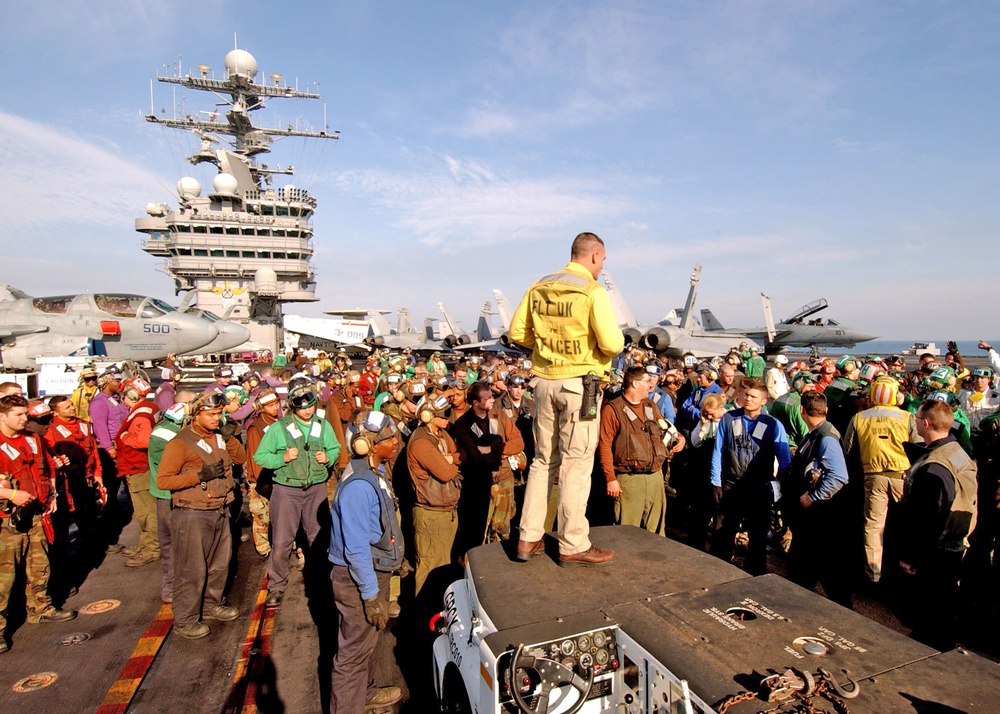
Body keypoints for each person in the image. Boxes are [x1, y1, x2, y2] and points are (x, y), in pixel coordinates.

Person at [509, 233, 624, 566]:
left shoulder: (539, 286)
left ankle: (529, 538)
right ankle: (573, 542)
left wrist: (548, 346)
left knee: (543, 461)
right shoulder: (591, 290)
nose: (601, 267)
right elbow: (613, 343)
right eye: (601, 261)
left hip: (544, 383)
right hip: (580, 386)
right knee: (576, 463)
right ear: (595, 255)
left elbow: (518, 334)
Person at [328, 411, 404, 713]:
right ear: (368, 445)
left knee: (368, 644)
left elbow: (380, 526)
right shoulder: (359, 486)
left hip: (375, 569)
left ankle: (368, 694)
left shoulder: (376, 472)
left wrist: (395, 558)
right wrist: (371, 596)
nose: (395, 442)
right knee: (353, 655)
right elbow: (357, 548)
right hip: (359, 578)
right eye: (388, 438)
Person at [155, 391, 247, 639]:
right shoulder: (180, 443)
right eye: (211, 414)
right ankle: (185, 620)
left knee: (219, 564)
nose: (217, 418)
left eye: (219, 414)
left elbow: (240, 458)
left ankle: (210, 605)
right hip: (192, 513)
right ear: (196, 416)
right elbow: (163, 480)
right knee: (191, 569)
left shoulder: (218, 437)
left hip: (219, 509)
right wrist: (198, 476)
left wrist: (230, 439)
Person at [898, 399, 978, 650]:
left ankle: (931, 649)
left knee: (932, 609)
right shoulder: (956, 451)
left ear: (926, 423)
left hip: (936, 551)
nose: (915, 421)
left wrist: (913, 557)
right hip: (956, 541)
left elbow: (927, 518)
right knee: (945, 603)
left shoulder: (934, 468)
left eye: (917, 417)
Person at [253, 378, 339, 608]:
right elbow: (260, 457)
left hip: (315, 489)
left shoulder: (322, 425)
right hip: (287, 489)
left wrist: (328, 457)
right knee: (281, 541)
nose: (308, 409)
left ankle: (321, 582)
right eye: (303, 405)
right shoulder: (278, 429)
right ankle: (277, 586)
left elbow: (335, 447)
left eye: (311, 404)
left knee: (319, 538)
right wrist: (281, 458)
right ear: (293, 406)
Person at [0, 395, 76, 654]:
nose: (25, 419)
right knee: (4, 577)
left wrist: (52, 495)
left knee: (39, 564)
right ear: (2, 417)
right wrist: (11, 495)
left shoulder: (33, 439)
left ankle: (40, 608)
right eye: (19, 415)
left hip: (36, 513)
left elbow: (47, 470)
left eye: (25, 414)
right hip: (7, 520)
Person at [843, 375, 920, 585]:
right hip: (902, 476)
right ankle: (906, 567)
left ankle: (873, 573)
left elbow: (847, 449)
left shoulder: (860, 418)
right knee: (907, 523)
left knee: (873, 525)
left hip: (873, 477)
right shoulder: (907, 418)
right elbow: (919, 449)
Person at [710, 378, 792, 575]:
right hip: (732, 484)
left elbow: (784, 458)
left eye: (754, 397)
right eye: (746, 395)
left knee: (758, 536)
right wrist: (715, 481)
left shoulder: (773, 424)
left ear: (764, 401)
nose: (748, 399)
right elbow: (718, 450)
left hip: (759, 487)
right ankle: (716, 570)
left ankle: (755, 576)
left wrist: (783, 488)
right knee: (722, 530)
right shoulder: (729, 419)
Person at [781, 391, 852, 607]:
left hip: (819, 519)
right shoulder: (816, 434)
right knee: (801, 571)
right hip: (810, 520)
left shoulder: (826, 438)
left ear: (802, 410)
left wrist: (812, 497)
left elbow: (839, 475)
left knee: (827, 572)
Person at [598, 366, 675, 535]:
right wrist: (611, 478)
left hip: (655, 478)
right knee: (626, 534)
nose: (650, 385)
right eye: (647, 381)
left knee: (656, 534)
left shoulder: (650, 406)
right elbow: (604, 445)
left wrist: (679, 438)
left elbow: (666, 429)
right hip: (629, 480)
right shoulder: (613, 409)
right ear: (634, 383)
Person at [452, 382, 525, 553]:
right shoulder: (463, 424)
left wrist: (494, 449)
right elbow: (475, 456)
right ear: (475, 403)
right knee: (478, 532)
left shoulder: (498, 415)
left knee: (503, 528)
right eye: (487, 398)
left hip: (504, 479)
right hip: (481, 484)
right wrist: (502, 453)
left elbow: (519, 442)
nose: (493, 400)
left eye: (492, 396)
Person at [407, 395, 461, 595]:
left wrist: (451, 459)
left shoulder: (441, 435)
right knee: (430, 568)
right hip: (432, 515)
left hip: (445, 512)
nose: (448, 418)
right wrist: (455, 462)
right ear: (428, 416)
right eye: (443, 415)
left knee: (443, 566)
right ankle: (421, 616)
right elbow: (446, 473)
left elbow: (459, 454)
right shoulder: (421, 442)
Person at [147, 392, 196, 604]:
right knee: (173, 545)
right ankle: (171, 588)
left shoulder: (169, 429)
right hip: (169, 496)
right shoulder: (164, 434)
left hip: (176, 494)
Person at [114, 378, 160, 568]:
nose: (122, 398)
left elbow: (143, 441)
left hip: (139, 468)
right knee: (145, 511)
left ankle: (152, 548)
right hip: (140, 467)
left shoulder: (140, 415)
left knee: (146, 512)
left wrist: (125, 437)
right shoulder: (150, 408)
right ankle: (145, 543)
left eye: (123, 395)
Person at [88, 368, 130, 551]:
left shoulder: (117, 399)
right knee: (110, 491)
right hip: (109, 450)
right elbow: (100, 427)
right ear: (106, 383)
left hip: (122, 446)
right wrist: (108, 448)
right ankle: (108, 536)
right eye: (116, 381)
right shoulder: (99, 403)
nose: (119, 383)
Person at [244, 388, 282, 558]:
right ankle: (263, 547)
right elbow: (254, 458)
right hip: (261, 478)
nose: (275, 408)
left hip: (277, 476)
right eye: (270, 405)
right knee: (262, 515)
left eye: (276, 404)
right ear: (261, 407)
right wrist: (262, 482)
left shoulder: (280, 422)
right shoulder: (256, 428)